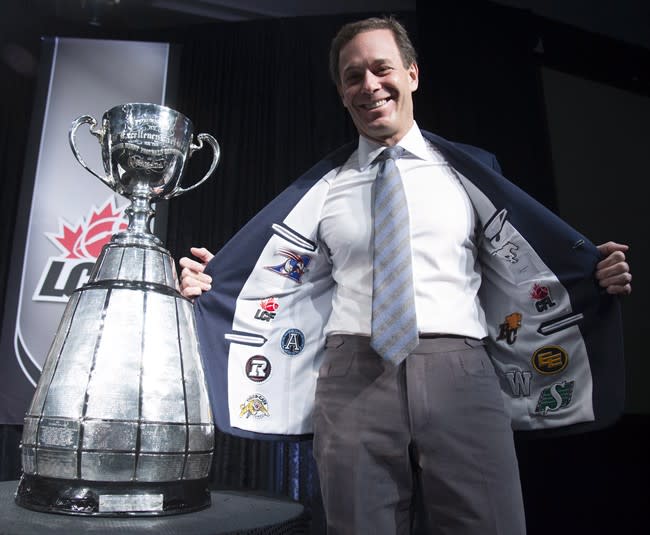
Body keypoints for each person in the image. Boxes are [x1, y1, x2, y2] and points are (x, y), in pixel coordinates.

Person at [179, 16, 632, 535]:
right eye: (353, 77)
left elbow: (524, 261)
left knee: (488, 522)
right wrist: (214, 287)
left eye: (381, 68)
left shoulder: (470, 172)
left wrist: (590, 272)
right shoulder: (325, 188)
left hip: (459, 369)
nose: (369, 85)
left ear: (412, 74)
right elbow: (281, 281)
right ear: (342, 93)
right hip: (352, 373)